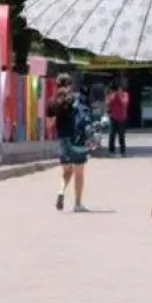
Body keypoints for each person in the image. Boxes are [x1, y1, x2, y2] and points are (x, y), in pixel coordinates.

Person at [47, 74, 94, 211]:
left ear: (57, 85)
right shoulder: (77, 99)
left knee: (67, 171)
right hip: (77, 139)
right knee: (79, 173)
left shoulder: (52, 102)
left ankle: (61, 190)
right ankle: (78, 204)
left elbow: (49, 124)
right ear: (70, 85)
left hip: (62, 139)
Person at [106, 81, 130, 156]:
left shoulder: (125, 95)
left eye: (120, 89)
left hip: (122, 117)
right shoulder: (112, 95)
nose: (119, 90)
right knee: (112, 134)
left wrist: (119, 96)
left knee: (121, 134)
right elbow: (109, 102)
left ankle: (123, 151)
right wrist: (115, 95)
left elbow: (124, 103)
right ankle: (111, 150)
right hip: (113, 117)